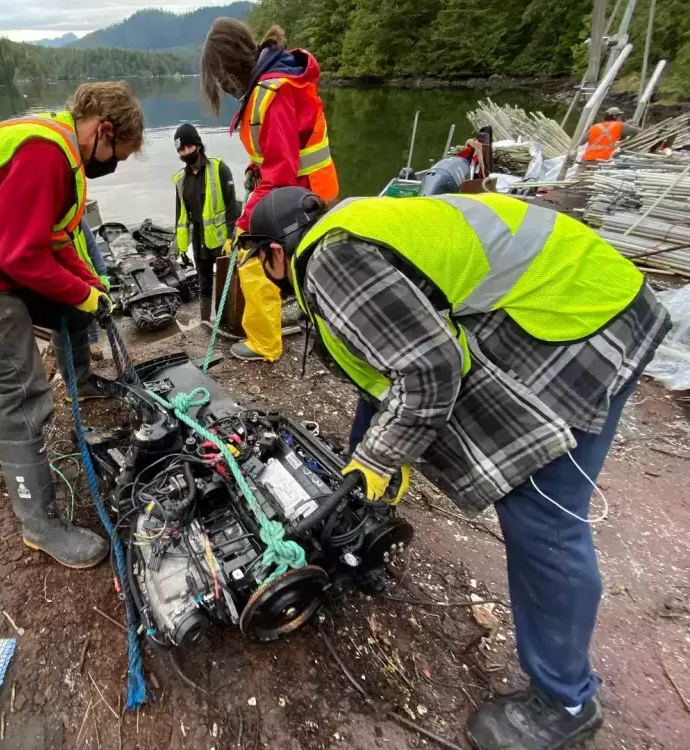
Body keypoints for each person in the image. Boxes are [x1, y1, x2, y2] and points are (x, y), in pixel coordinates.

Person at [239, 187, 671, 750]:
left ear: (277, 251)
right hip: (572, 287)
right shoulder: (350, 230)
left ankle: (565, 700)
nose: (262, 271)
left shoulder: (327, 262)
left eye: (258, 258)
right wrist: (362, 472)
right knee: (530, 502)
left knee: (541, 514)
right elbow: (386, 367)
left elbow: (429, 368)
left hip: (580, 309)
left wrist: (375, 460)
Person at [0, 82, 145, 569]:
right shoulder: (44, 155)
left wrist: (90, 287)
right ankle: (39, 524)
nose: (113, 165)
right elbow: (19, 255)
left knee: (79, 307)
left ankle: (80, 383)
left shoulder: (62, 148)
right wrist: (81, 290)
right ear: (102, 131)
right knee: (20, 389)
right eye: (116, 155)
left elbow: (54, 239)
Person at [201, 19, 338, 362]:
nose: (221, 83)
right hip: (308, 190)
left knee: (250, 255)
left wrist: (245, 222)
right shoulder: (270, 85)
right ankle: (325, 328)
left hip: (301, 194)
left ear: (228, 64)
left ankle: (264, 343)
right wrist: (254, 168)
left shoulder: (271, 94)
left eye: (218, 75)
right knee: (306, 264)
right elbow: (276, 152)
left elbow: (281, 172)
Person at [172, 122, 238, 322]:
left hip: (220, 241)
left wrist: (230, 237)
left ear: (198, 146)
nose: (186, 152)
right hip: (199, 240)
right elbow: (180, 215)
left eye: (189, 146)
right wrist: (180, 247)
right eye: (181, 149)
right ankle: (204, 323)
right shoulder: (180, 179)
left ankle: (225, 322)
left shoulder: (219, 169)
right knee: (204, 284)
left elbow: (232, 207)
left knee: (227, 283)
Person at [81, 217, 111, 360]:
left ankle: (93, 340)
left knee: (92, 310)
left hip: (86, 276)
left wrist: (102, 275)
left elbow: (92, 247)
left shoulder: (79, 220)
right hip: (64, 278)